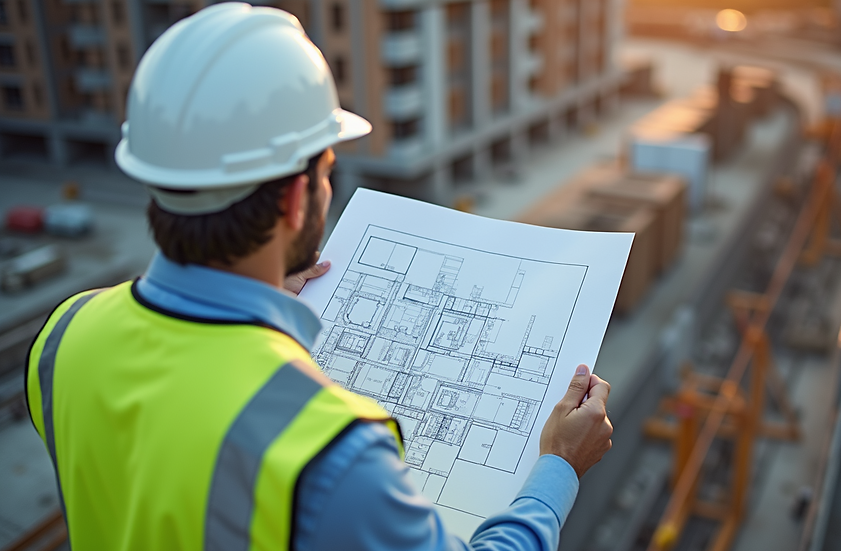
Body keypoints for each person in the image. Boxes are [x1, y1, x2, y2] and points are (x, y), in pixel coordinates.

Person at [24, 4, 614, 550]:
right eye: (328, 169)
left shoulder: (62, 337)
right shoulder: (330, 450)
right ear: (295, 198)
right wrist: (559, 466)